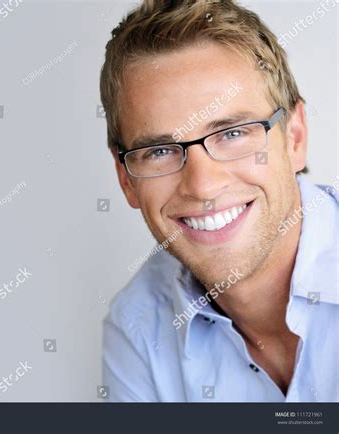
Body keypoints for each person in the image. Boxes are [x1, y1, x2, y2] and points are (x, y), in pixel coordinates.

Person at [99, 0, 338, 402]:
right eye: (159, 151)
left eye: (232, 133)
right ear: (126, 178)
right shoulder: (139, 330)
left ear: (294, 138)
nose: (203, 186)